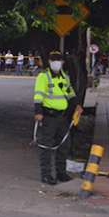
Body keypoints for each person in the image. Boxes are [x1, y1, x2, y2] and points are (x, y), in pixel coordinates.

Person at [33, 51, 82, 185]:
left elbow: (70, 93)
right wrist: (38, 112)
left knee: (64, 145)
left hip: (62, 117)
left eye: (58, 60)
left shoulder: (64, 77)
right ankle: (46, 175)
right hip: (48, 116)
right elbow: (38, 95)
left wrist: (77, 105)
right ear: (49, 61)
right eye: (53, 60)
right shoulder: (43, 77)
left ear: (62, 62)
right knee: (46, 146)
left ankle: (61, 173)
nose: (56, 62)